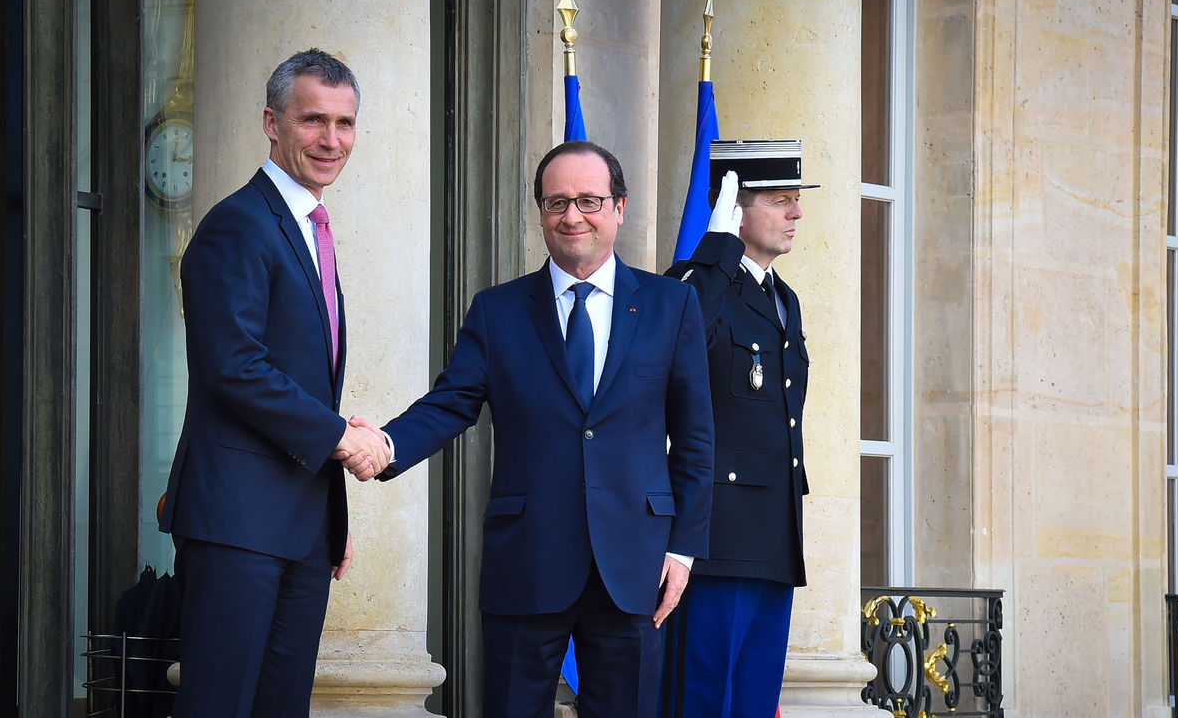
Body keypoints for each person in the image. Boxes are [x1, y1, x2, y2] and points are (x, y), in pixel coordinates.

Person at [343, 140, 715, 718]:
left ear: (620, 207)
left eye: (589, 201)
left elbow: (695, 440)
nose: (572, 216)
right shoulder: (498, 310)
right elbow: (451, 403)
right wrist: (385, 444)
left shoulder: (673, 305)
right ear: (540, 212)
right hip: (528, 558)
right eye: (556, 202)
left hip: (636, 563)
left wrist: (684, 548)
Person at [159, 49, 390, 717]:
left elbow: (300, 377)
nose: (331, 139)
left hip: (299, 525)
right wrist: (342, 440)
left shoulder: (310, 229)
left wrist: (327, 510)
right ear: (271, 121)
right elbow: (234, 364)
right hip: (237, 522)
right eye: (313, 119)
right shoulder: (237, 224)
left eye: (344, 123)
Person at [661, 139, 818, 717]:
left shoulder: (785, 299)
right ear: (737, 207)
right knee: (702, 700)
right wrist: (717, 247)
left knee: (754, 703)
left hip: (775, 536)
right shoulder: (700, 284)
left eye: (795, 201)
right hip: (718, 540)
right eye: (780, 201)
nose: (795, 213)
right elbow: (669, 338)